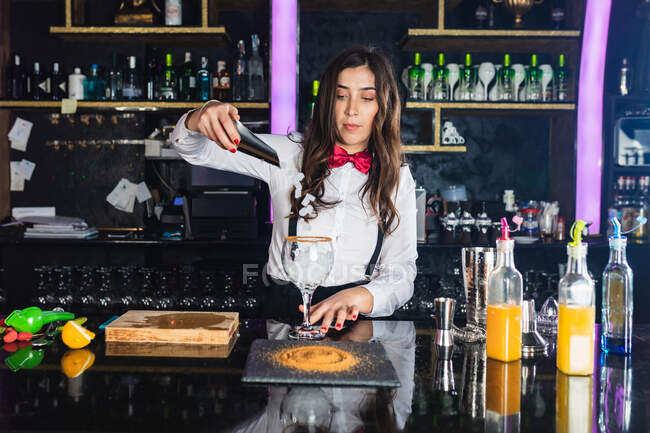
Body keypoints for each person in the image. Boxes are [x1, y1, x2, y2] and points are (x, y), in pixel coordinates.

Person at [171, 46, 417, 332]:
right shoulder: (286, 154)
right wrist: (200, 116)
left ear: (383, 106)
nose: (352, 109)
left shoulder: (397, 176)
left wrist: (362, 296)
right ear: (326, 101)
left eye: (366, 97)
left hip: (356, 321)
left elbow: (402, 271)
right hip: (283, 314)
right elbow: (190, 149)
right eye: (341, 96)